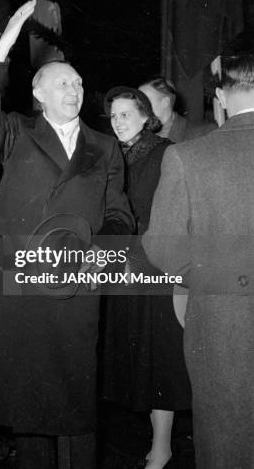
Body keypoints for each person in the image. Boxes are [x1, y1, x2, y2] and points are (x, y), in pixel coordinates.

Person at [0, 0, 134, 468]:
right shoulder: (15, 133)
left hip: (76, 289)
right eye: (62, 82)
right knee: (28, 406)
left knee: (75, 408)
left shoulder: (106, 148)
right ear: (39, 93)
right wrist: (9, 34)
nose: (74, 89)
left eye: (78, 82)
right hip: (22, 286)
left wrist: (95, 257)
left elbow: (120, 216)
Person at [142, 53, 254, 469]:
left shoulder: (188, 157)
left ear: (221, 97)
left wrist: (211, 278)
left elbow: (163, 248)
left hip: (219, 323)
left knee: (227, 439)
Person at [102, 87, 190, 469]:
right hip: (123, 268)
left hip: (153, 266)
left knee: (159, 359)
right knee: (138, 360)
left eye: (126, 114)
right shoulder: (111, 155)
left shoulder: (164, 152)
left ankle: (163, 446)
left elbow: (169, 216)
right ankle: (155, 442)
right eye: (113, 115)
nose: (118, 122)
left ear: (145, 115)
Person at [138, 76, 214, 142]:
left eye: (145, 100)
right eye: (138, 102)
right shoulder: (137, 134)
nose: (139, 107)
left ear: (165, 102)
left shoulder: (200, 134)